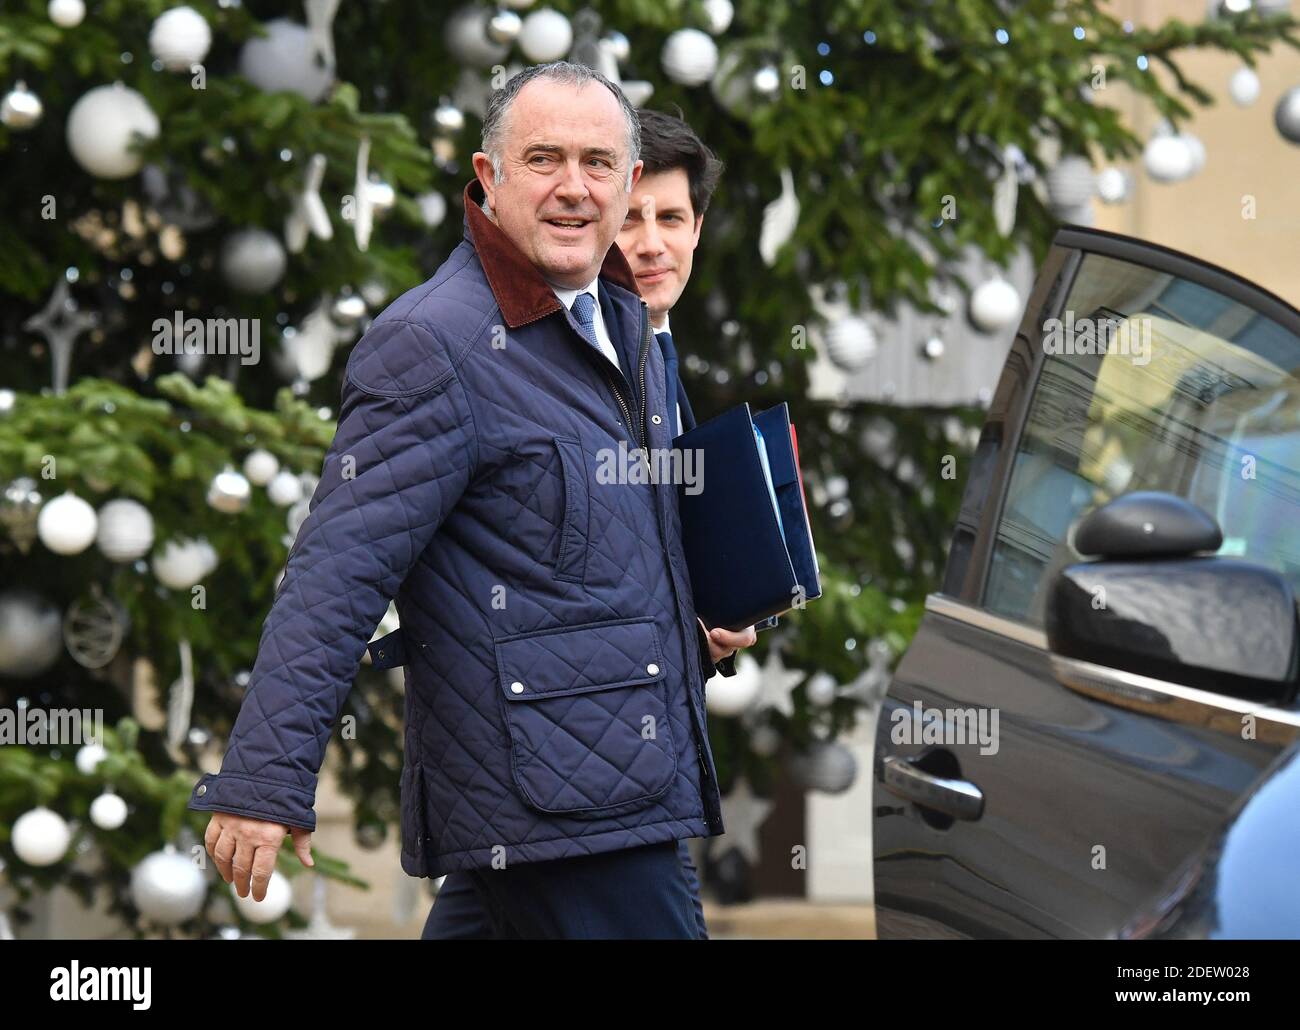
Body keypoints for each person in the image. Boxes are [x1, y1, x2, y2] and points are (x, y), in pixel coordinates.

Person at [188, 61, 756, 940]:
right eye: (544, 160)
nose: (575, 187)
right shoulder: (434, 344)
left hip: (581, 794)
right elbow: (335, 576)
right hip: (575, 812)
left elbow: (587, 563)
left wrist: (693, 626)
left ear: (630, 182)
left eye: (600, 164)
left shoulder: (625, 324)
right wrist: (265, 780)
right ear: (490, 180)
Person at [616, 108, 722, 440]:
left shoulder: (663, 355)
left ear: (696, 228)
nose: (652, 246)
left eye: (670, 218)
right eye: (628, 220)